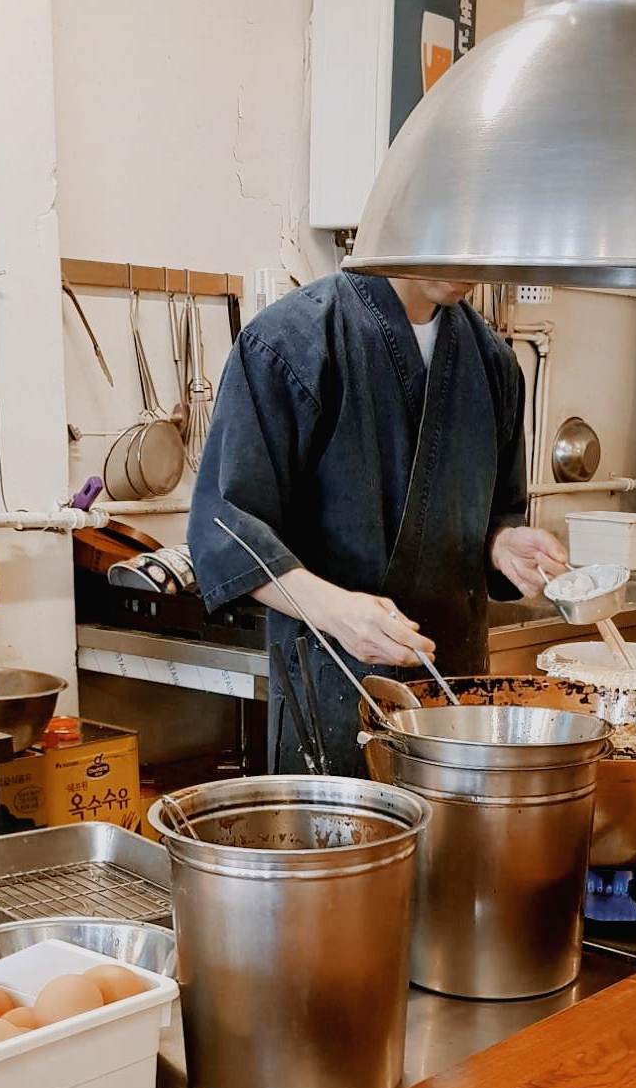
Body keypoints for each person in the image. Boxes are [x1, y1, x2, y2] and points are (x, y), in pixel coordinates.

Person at [188, 270, 566, 776]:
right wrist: (337, 612)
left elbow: (498, 509)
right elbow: (227, 528)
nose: (471, 271)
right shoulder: (293, 340)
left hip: (454, 695)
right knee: (337, 824)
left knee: (453, 825)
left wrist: (502, 543)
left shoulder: (493, 361)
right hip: (329, 689)